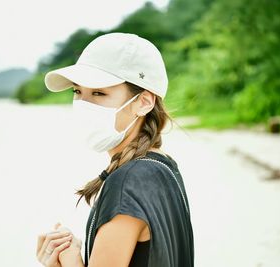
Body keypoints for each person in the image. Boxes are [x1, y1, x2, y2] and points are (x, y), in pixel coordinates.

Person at [36, 32, 194, 267]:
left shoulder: (127, 183)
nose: (84, 105)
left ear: (144, 102)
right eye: (78, 92)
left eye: (99, 93)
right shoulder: (163, 167)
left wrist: (66, 261)